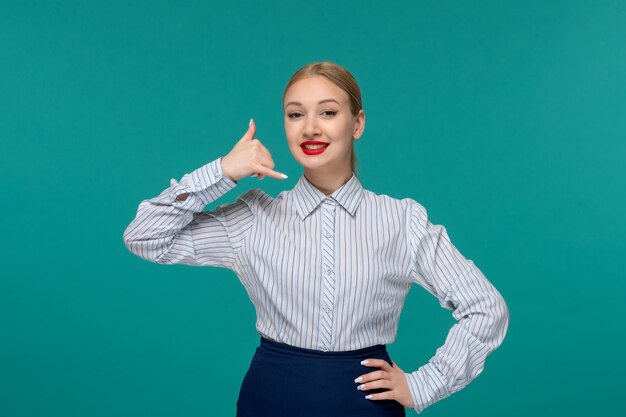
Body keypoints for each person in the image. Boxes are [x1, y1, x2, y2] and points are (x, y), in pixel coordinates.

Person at [122, 61, 510, 416]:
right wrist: (222, 171)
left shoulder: (402, 221)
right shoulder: (253, 218)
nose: (310, 128)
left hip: (366, 405)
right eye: (295, 115)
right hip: (270, 399)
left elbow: (486, 308)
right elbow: (145, 238)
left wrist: (426, 384)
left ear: (357, 123)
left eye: (328, 112)